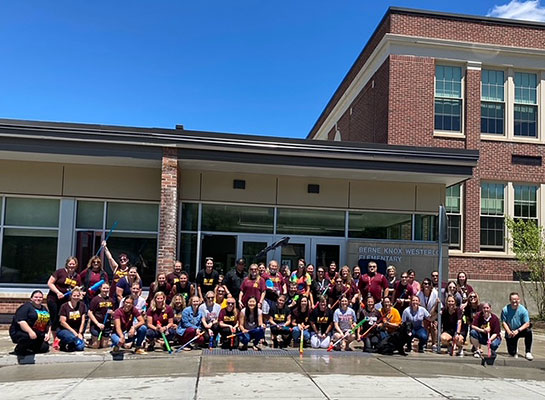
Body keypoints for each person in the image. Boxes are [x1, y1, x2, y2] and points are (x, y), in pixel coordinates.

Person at [46, 256, 82, 348]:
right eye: (70, 264)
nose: (71, 266)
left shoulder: (76, 276)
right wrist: (58, 292)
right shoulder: (60, 272)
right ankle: (55, 340)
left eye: (73, 264)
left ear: (76, 265)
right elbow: (50, 283)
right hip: (54, 299)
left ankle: (62, 337)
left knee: (62, 319)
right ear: (67, 264)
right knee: (54, 319)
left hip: (65, 301)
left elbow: (77, 288)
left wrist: (80, 293)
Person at [10, 290, 51, 355]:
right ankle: (20, 349)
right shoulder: (25, 307)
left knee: (44, 348)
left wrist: (48, 334)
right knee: (27, 338)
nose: (38, 299)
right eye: (36, 297)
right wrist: (30, 332)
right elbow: (21, 321)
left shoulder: (44, 308)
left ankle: (30, 348)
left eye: (40, 297)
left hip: (37, 333)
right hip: (22, 332)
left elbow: (48, 323)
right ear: (31, 298)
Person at [501, 292, 533, 360]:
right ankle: (514, 350)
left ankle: (528, 352)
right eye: (513, 299)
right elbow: (504, 322)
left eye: (517, 299)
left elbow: (527, 323)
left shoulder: (523, 310)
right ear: (510, 300)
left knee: (528, 332)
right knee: (512, 353)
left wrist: (518, 330)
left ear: (519, 300)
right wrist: (509, 331)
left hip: (520, 330)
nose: (515, 301)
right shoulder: (505, 310)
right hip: (511, 331)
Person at [57, 288, 86, 352]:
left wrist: (80, 333)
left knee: (80, 347)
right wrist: (75, 333)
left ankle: (72, 344)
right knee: (71, 337)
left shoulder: (82, 305)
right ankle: (62, 343)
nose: (76, 297)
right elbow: (62, 322)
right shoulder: (64, 306)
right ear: (70, 296)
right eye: (74, 296)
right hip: (64, 330)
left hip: (76, 331)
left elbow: (83, 320)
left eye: (78, 296)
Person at [87, 282, 114, 348]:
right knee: (96, 346)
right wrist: (97, 324)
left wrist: (112, 313)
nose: (105, 290)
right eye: (104, 288)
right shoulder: (95, 299)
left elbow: (114, 312)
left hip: (106, 324)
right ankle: (89, 342)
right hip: (96, 325)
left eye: (107, 288)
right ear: (100, 288)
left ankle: (106, 340)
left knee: (104, 346)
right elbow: (90, 313)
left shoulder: (111, 300)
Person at [417, 277, 440, 351]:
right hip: (423, 314)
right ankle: (424, 342)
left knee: (433, 325)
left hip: (433, 314)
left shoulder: (435, 293)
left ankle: (434, 344)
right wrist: (427, 317)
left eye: (428, 284)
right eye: (425, 284)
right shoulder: (419, 293)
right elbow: (419, 306)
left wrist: (431, 317)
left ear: (431, 286)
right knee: (425, 325)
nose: (426, 285)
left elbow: (438, 306)